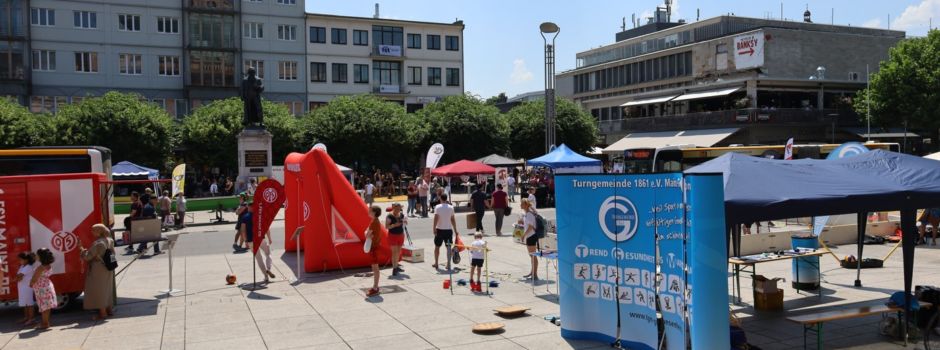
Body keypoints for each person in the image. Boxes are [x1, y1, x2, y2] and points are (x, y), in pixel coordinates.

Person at [80, 224, 115, 320]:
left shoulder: (98, 243)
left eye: (93, 230)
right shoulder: (110, 240)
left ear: (99, 231)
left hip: (98, 269)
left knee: (99, 290)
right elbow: (113, 253)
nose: (92, 232)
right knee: (107, 288)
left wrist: (81, 248)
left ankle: (102, 313)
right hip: (108, 267)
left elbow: (87, 257)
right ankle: (109, 310)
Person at [31, 248, 57, 330]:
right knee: (47, 305)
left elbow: (34, 278)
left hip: (41, 288)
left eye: (37, 255)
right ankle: (45, 322)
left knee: (43, 306)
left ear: (41, 257)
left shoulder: (40, 267)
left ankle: (45, 323)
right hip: (47, 286)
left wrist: (30, 284)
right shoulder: (48, 265)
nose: (36, 256)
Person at [432, 194, 458, 270]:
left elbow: (436, 218)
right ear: (446, 199)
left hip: (439, 229)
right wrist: (455, 229)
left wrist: (434, 228)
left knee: (437, 247)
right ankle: (448, 264)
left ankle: (436, 263)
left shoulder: (438, 207)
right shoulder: (451, 207)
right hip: (448, 230)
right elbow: (453, 219)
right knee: (449, 247)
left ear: (440, 198)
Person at [365, 205, 384, 297]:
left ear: (374, 212)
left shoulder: (374, 222)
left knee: (375, 268)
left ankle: (375, 288)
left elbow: (367, 235)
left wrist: (367, 233)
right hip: (375, 247)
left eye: (370, 210)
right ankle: (375, 287)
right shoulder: (375, 221)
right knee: (375, 268)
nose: (368, 211)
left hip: (374, 248)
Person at [15, 251, 36, 326]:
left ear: (26, 260)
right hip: (22, 287)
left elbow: (19, 276)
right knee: (25, 303)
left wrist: (17, 278)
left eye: (21, 259)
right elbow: (18, 276)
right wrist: (17, 278)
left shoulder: (28, 267)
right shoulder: (22, 266)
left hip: (27, 288)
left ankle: (31, 319)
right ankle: (26, 317)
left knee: (29, 304)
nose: (19, 261)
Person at [520, 199, 539, 281]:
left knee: (533, 256)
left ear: (525, 205)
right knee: (532, 256)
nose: (520, 205)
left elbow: (531, 227)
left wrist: (524, 235)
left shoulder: (529, 214)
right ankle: (532, 272)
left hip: (531, 236)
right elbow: (528, 225)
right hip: (530, 236)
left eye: (521, 203)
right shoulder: (527, 214)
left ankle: (535, 274)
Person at [386, 203, 406, 276]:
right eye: (397, 209)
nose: (398, 210)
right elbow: (386, 226)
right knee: (394, 252)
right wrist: (394, 225)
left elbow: (404, 223)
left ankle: (396, 266)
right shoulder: (389, 216)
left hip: (400, 235)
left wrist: (405, 222)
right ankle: (394, 268)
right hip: (392, 236)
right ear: (393, 208)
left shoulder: (401, 215)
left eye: (399, 209)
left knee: (398, 252)